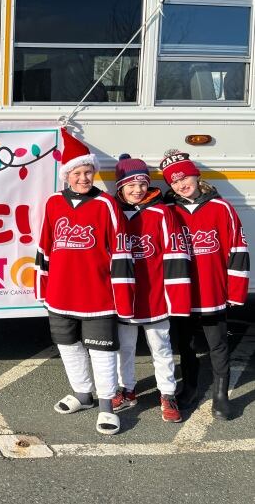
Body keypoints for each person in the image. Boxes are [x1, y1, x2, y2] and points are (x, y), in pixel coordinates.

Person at [35, 128, 135, 435]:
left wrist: (122, 293)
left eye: (88, 172)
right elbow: (46, 244)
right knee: (67, 345)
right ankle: (83, 394)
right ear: (66, 175)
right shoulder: (53, 202)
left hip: (98, 293)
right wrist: (43, 286)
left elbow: (120, 248)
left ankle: (106, 404)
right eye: (77, 172)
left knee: (102, 351)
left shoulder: (105, 204)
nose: (83, 178)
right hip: (61, 293)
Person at [160, 149, 249, 420]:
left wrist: (236, 290)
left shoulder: (221, 208)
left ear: (196, 176)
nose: (181, 184)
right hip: (181, 291)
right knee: (185, 344)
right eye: (174, 181)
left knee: (217, 343)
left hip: (212, 289)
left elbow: (238, 249)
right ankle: (189, 387)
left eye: (184, 177)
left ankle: (221, 395)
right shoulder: (168, 211)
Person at [111, 154, 191, 423]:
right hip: (125, 296)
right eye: (131, 185)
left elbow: (176, 254)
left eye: (143, 184)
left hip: (157, 295)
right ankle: (128, 389)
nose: (137, 190)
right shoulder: (112, 212)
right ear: (121, 186)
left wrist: (177, 297)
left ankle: (167, 394)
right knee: (125, 347)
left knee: (162, 348)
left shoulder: (162, 212)